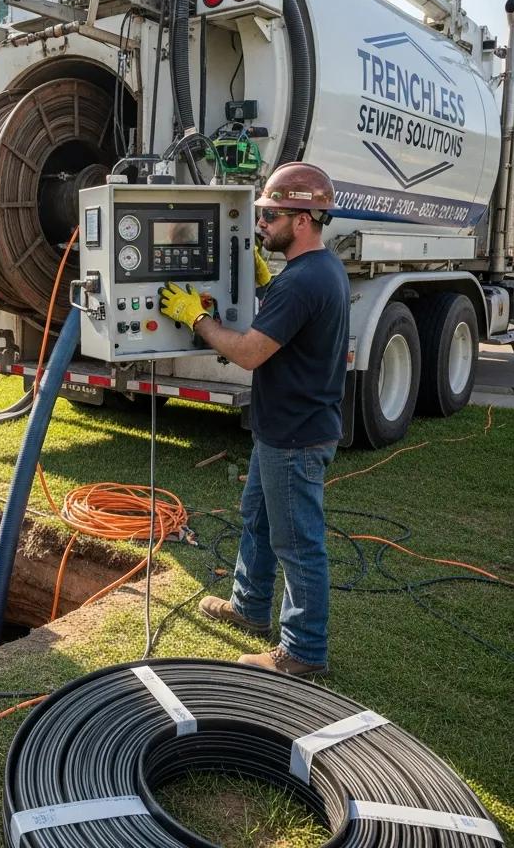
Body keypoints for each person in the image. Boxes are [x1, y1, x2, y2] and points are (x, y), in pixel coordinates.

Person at [159, 162, 349, 676]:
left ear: (305, 219)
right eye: (262, 214)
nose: (261, 224)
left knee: (298, 542)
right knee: (258, 520)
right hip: (286, 427)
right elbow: (286, 329)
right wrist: (265, 287)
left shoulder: (303, 282)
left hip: (295, 434)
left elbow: (246, 353)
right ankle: (249, 605)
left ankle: (304, 651)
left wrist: (196, 319)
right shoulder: (319, 271)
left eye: (271, 215)